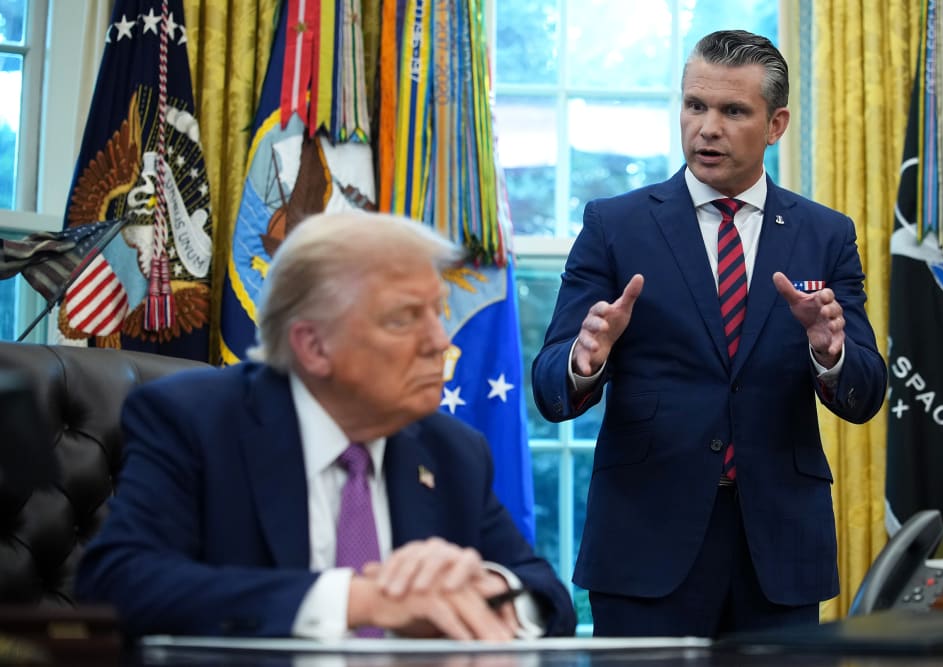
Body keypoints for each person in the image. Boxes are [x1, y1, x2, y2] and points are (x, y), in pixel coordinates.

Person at [531, 30, 887, 638]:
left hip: (779, 548)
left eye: (733, 110)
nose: (707, 127)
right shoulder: (615, 226)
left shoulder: (825, 234)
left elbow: (865, 393)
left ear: (775, 125)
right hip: (645, 545)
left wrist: (831, 354)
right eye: (695, 105)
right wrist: (583, 360)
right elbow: (550, 386)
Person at [76, 211, 576, 640]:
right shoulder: (198, 422)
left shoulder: (452, 451)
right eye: (404, 319)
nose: (440, 341)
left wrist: (491, 592)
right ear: (313, 346)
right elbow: (119, 585)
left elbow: (547, 595)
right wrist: (358, 601)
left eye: (438, 314)